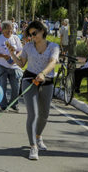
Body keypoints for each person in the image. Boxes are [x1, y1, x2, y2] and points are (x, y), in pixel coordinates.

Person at [8, 21, 59, 160]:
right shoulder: (29, 46)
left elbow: (53, 62)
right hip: (29, 80)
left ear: (42, 31)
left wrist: (43, 73)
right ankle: (33, 147)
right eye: (30, 34)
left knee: (44, 115)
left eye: (34, 33)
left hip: (46, 80)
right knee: (33, 114)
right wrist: (12, 54)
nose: (32, 36)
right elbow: (22, 64)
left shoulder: (54, 46)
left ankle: (38, 137)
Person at [0, 21, 23, 112]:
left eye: (11, 29)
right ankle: (3, 105)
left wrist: (15, 57)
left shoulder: (16, 38)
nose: (9, 31)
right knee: (2, 86)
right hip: (1, 65)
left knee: (16, 86)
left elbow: (20, 50)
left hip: (14, 66)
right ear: (3, 30)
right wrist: (3, 56)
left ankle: (13, 104)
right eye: (7, 30)